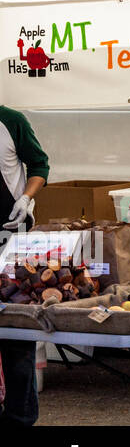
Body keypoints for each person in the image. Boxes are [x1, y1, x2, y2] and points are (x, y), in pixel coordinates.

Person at [0, 105, 49, 427]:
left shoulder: (11, 120)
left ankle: (20, 417)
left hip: (10, 232)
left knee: (15, 328)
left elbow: (40, 164)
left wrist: (26, 198)